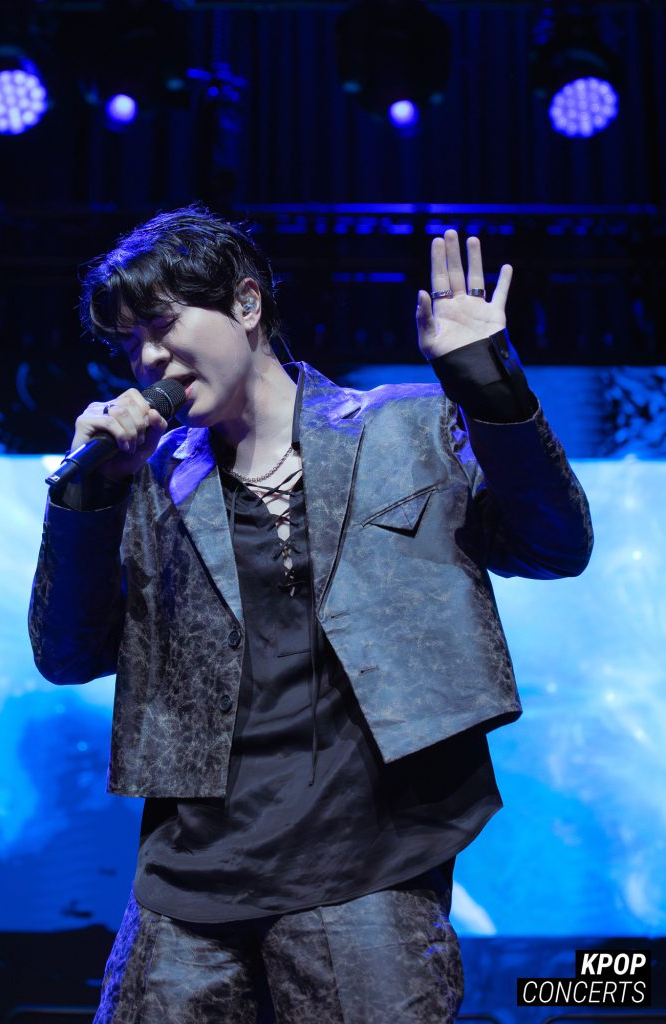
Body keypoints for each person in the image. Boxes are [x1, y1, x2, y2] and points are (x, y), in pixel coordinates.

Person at [29, 205, 593, 1024]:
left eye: (161, 325)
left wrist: (486, 380)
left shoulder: (403, 429)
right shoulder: (144, 477)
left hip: (367, 862)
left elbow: (553, 546)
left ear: (246, 304)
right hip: (189, 877)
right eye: (129, 342)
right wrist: (87, 496)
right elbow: (67, 654)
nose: (147, 358)